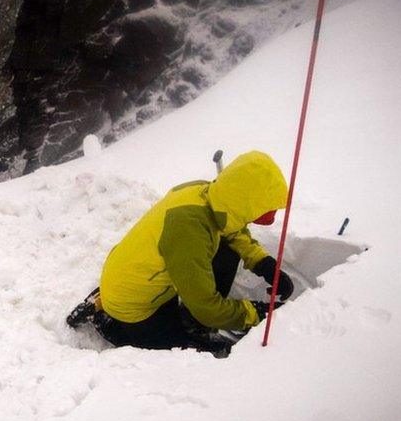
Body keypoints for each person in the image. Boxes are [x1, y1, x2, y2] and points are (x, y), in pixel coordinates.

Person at [67, 151, 295, 356]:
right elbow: (207, 306)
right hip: (134, 309)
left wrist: (263, 263)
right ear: (247, 202)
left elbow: (230, 228)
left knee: (227, 252)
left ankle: (183, 316)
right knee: (189, 351)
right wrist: (255, 313)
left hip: (132, 271)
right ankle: (107, 319)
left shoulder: (205, 192)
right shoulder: (190, 230)